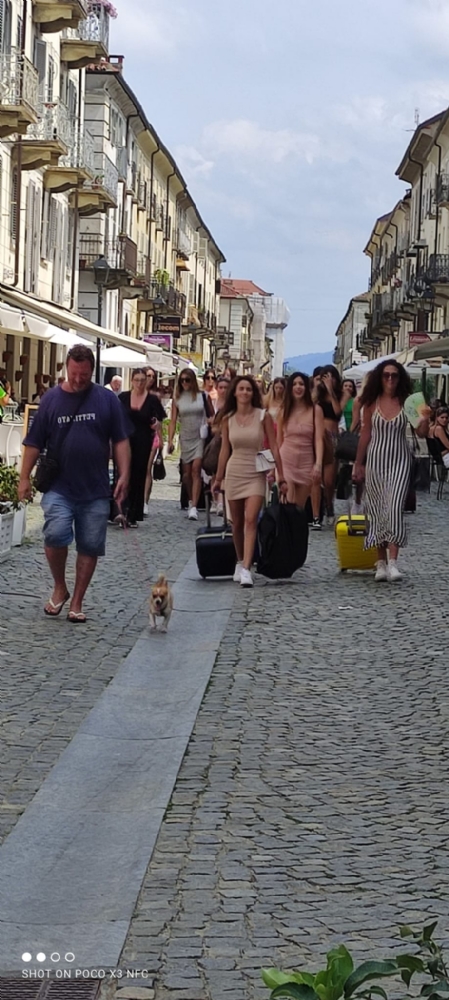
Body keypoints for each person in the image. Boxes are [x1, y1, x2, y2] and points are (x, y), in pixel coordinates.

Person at [19, 344, 131, 622]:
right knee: (55, 534)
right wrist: (23, 477)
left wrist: (124, 475)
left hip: (95, 487)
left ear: (92, 371)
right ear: (67, 368)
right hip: (59, 485)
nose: (79, 379)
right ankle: (60, 586)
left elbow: (120, 440)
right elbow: (33, 442)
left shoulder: (107, 400)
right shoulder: (51, 400)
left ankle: (77, 601)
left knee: (89, 544)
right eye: (74, 374)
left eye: (84, 374)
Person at [353, 359, 430, 582]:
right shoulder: (371, 403)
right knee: (376, 508)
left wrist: (425, 418)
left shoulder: (408, 402)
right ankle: (380, 562)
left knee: (395, 507)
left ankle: (394, 561)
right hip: (376, 458)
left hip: (399, 459)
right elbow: (365, 434)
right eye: (386, 375)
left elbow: (422, 432)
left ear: (400, 378)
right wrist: (358, 464)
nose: (390, 379)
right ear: (380, 377)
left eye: (394, 375)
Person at [213, 376, 288, 587]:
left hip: (256, 470)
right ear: (235, 393)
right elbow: (224, 450)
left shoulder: (263, 416)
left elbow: (273, 447)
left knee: (250, 519)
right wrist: (218, 478)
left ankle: (247, 567)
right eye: (241, 389)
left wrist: (280, 475)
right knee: (236, 522)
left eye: (248, 389)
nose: (245, 392)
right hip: (235, 469)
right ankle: (239, 560)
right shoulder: (228, 418)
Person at [118, 368, 165, 526]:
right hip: (125, 441)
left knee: (138, 475)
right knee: (124, 473)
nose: (139, 383)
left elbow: (160, 420)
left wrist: (157, 426)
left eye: (142, 380)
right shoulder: (124, 397)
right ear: (131, 381)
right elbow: (116, 417)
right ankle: (120, 510)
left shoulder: (152, 400)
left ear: (146, 382)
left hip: (144, 441)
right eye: (136, 380)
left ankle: (133, 513)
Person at [168, 368, 214, 520]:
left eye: (187, 380)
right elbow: (173, 420)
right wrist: (169, 440)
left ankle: (194, 505)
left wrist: (210, 423)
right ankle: (189, 498)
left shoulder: (202, 396)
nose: (185, 383)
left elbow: (212, 415)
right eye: (182, 380)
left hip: (199, 436)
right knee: (186, 474)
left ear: (193, 381)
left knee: (196, 469)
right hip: (185, 437)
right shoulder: (177, 398)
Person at [278, 372, 324, 511]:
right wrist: (274, 465)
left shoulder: (316, 410)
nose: (298, 387)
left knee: (299, 509)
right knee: (287, 503)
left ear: (307, 388)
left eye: (301, 384)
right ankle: (284, 533)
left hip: (306, 462)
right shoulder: (283, 411)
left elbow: (319, 439)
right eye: (295, 384)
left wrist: (318, 464)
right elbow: (278, 440)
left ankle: (296, 532)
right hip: (287, 461)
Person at [314, 365, 351, 524]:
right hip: (317, 436)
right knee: (316, 477)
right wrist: (317, 388)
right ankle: (317, 510)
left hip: (332, 437)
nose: (329, 379)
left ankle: (329, 505)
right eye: (325, 377)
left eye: (332, 377)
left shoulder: (343, 394)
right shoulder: (318, 395)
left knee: (329, 480)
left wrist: (330, 390)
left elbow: (337, 412)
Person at [143, 367, 165, 514]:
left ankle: (144, 501)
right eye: (148, 376)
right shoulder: (133, 395)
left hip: (152, 436)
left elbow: (160, 419)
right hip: (137, 435)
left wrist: (161, 438)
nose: (150, 379)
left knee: (147, 468)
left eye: (153, 376)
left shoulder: (155, 396)